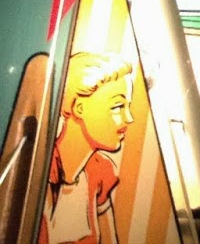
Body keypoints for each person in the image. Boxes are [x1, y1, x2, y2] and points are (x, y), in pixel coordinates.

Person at [40, 51, 134, 244]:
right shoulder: (41, 169)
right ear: (79, 108)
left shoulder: (100, 172)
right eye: (117, 106)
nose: (129, 119)